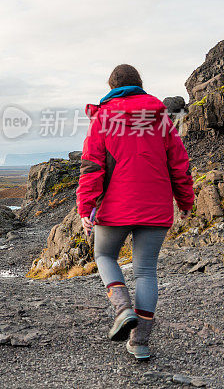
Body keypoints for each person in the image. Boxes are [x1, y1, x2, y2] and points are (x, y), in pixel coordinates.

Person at [76, 64, 195, 361]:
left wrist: (86, 208)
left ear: (111, 87)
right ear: (140, 84)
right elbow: (179, 165)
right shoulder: (161, 119)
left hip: (115, 208)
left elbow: (92, 167)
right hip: (155, 208)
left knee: (104, 256)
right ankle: (140, 341)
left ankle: (122, 309)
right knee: (145, 271)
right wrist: (186, 202)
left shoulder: (104, 119)